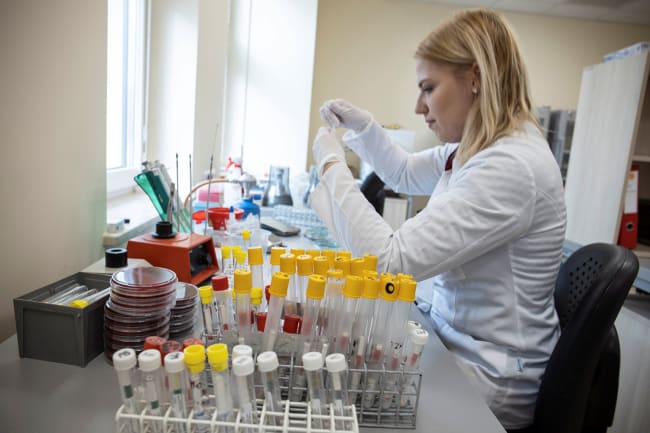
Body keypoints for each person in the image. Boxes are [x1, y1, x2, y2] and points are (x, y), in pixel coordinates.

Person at [309, 8, 566, 431]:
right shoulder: (476, 147)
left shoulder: (510, 166)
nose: (418, 106)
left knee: (354, 408)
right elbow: (405, 172)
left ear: (475, 78)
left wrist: (332, 167)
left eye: (428, 88)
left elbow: (389, 260)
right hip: (455, 345)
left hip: (489, 377)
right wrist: (366, 128)